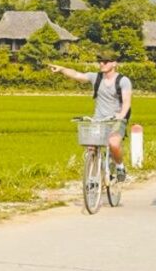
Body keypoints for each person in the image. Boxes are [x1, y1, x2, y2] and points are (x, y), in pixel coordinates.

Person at [49, 51, 133, 181]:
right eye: (100, 61)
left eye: (105, 61)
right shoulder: (96, 77)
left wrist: (120, 116)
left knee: (113, 143)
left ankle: (120, 166)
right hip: (98, 119)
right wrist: (62, 69)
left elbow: (127, 103)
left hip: (116, 119)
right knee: (91, 147)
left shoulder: (123, 80)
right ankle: (93, 178)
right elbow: (77, 75)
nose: (102, 64)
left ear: (114, 63)